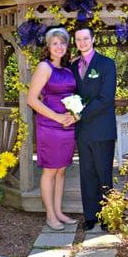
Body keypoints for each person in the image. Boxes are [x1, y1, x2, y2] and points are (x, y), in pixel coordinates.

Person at [27, 27, 78, 231]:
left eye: (63, 43)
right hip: (49, 126)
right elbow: (31, 99)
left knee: (61, 171)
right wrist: (57, 117)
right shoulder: (44, 67)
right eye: (55, 43)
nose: (59, 47)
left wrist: (74, 116)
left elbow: (76, 98)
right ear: (48, 47)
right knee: (50, 171)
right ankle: (50, 216)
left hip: (68, 126)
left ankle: (58, 212)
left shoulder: (67, 70)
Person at [70, 25, 117, 231]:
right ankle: (90, 216)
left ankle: (108, 215)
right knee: (86, 173)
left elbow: (106, 98)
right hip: (82, 130)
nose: (82, 42)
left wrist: (81, 113)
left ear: (93, 39)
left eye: (85, 38)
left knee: (103, 173)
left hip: (102, 128)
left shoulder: (106, 64)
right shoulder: (73, 66)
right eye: (78, 39)